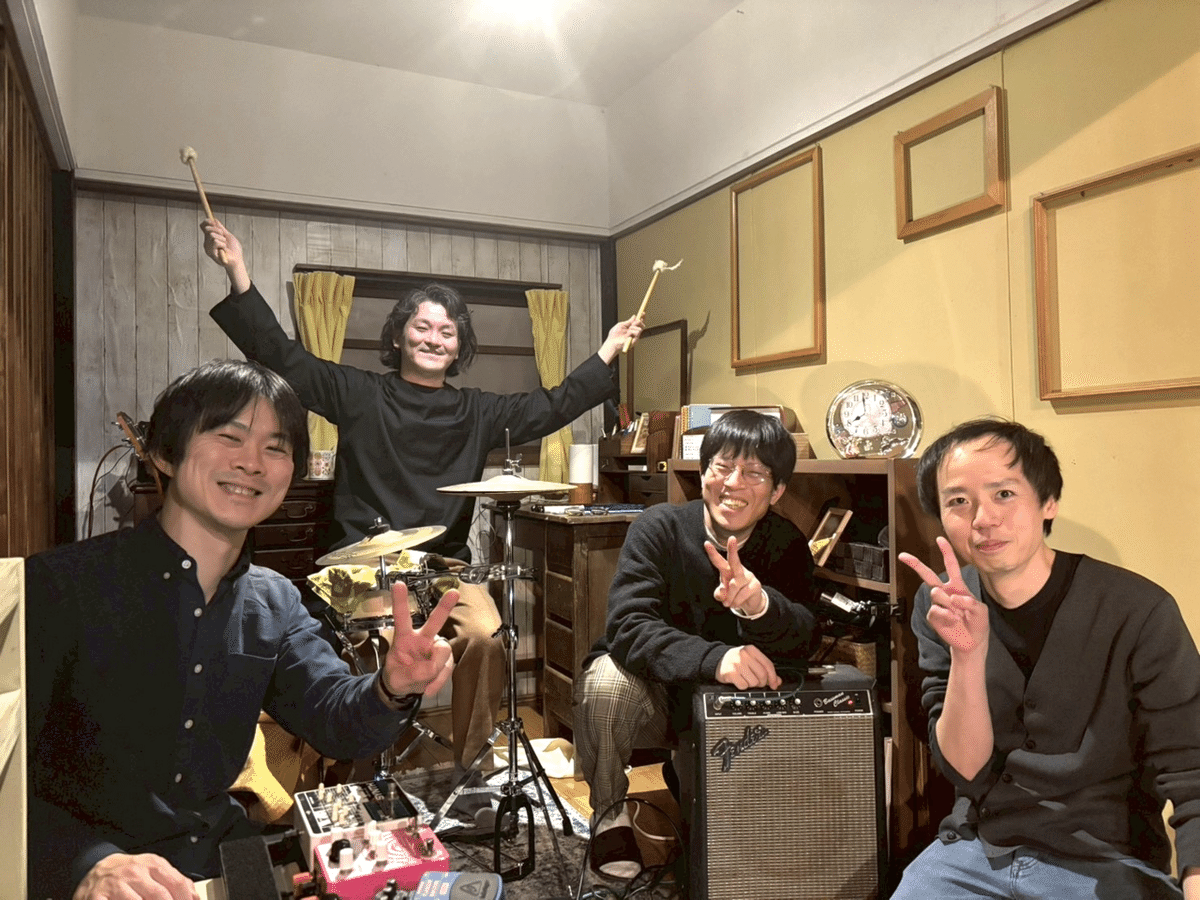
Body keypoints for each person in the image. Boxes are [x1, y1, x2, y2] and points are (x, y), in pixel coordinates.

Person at [201, 219, 643, 823]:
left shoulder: (478, 410)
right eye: (422, 326)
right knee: (368, 652)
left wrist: (607, 350)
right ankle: (358, 776)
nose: (434, 338)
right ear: (399, 336)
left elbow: (551, 405)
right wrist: (238, 273)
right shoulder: (357, 392)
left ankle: (472, 768)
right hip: (364, 565)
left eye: (447, 331)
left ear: (459, 347)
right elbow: (283, 357)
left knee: (487, 633)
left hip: (444, 568)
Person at [25, 360, 457, 900]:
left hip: (221, 854)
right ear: (165, 453)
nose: (252, 463)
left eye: (276, 448)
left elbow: (334, 721)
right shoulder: (58, 586)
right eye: (229, 437)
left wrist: (392, 687)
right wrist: (87, 863)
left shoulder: (274, 601)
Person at [893, 418, 1200, 900]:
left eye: (1004, 494)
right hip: (975, 852)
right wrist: (968, 656)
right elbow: (965, 769)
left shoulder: (1138, 610)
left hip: (1107, 862)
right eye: (958, 501)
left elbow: (1190, 767)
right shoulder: (943, 606)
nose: (982, 519)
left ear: (1048, 501)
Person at [571, 409, 819, 878]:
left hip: (733, 712)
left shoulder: (787, 543)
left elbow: (807, 638)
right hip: (658, 698)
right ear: (703, 473)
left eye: (754, 473)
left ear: (777, 490)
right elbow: (628, 626)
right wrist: (716, 657)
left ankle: (686, 773)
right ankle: (609, 816)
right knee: (604, 682)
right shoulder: (658, 527)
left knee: (737, 851)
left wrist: (760, 606)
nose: (733, 483)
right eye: (722, 467)